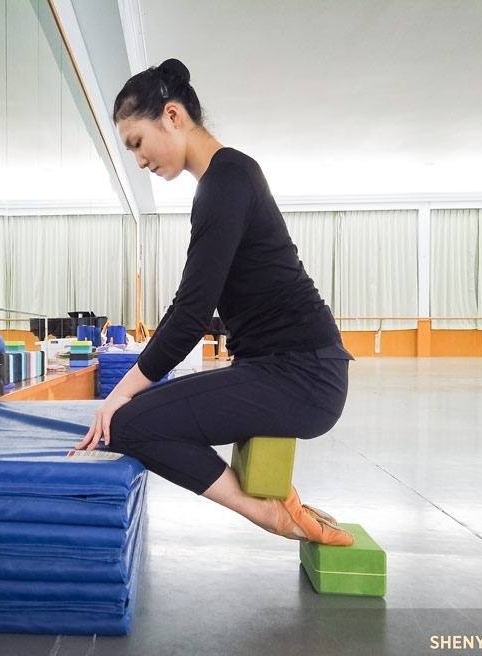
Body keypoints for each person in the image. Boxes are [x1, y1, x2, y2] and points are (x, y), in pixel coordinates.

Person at [75, 58, 354, 546]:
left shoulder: (226, 182)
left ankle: (268, 513)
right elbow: (188, 303)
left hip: (303, 377)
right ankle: (276, 503)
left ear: (173, 116)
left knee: (128, 425)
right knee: (135, 417)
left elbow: (190, 317)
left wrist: (120, 393)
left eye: (137, 143)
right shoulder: (225, 181)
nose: (138, 161)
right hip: (282, 369)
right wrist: (133, 385)